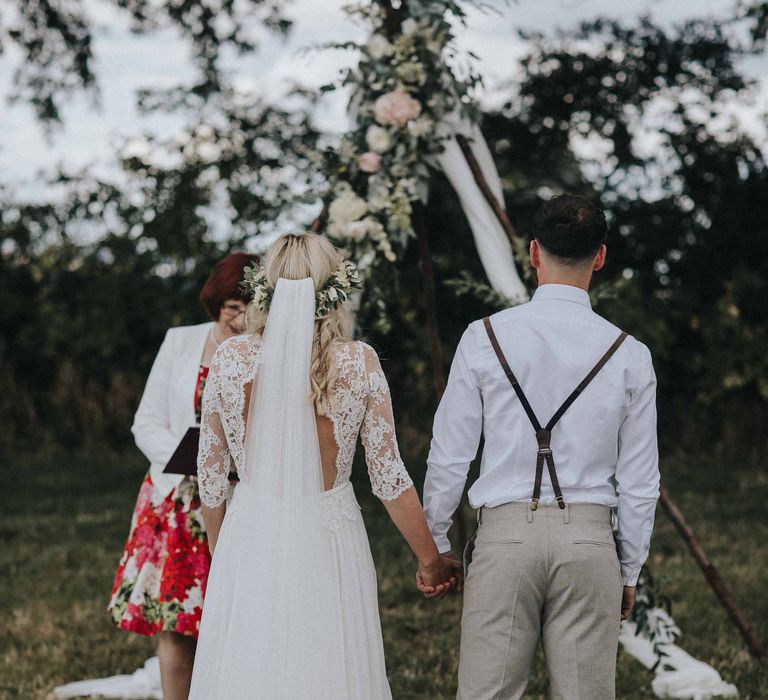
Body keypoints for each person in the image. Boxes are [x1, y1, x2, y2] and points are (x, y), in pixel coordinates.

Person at [188, 232, 460, 699]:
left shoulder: (231, 360)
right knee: (329, 665)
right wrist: (431, 559)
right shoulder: (359, 363)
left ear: (264, 288)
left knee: (252, 666)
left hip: (251, 532)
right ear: (335, 290)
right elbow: (389, 477)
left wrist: (224, 555)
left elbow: (211, 482)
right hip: (331, 538)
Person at [423, 193, 660, 700]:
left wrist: (438, 543)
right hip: (590, 542)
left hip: (505, 539)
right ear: (600, 256)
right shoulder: (630, 354)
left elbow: (450, 453)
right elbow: (641, 480)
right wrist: (631, 567)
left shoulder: (485, 336)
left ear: (533, 252)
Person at [107, 252, 258, 700]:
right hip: (177, 503)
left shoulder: (263, 352)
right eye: (232, 307)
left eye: (250, 307)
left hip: (238, 503)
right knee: (177, 623)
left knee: (236, 619)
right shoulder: (180, 342)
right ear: (215, 303)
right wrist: (193, 459)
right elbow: (146, 422)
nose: (240, 318)